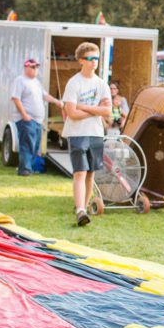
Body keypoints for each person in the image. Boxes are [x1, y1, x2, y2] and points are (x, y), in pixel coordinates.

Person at [60, 42, 112, 226]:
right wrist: (95, 109)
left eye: (96, 58)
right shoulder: (74, 83)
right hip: (78, 134)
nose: (94, 62)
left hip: (95, 133)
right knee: (80, 173)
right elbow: (72, 113)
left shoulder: (101, 84)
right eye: (90, 59)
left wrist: (85, 107)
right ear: (81, 60)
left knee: (90, 173)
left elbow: (108, 111)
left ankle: (84, 204)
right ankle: (80, 210)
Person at [10, 57, 46, 176]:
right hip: (26, 119)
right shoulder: (20, 80)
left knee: (35, 145)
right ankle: (24, 170)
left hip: (37, 120)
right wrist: (24, 114)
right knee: (27, 144)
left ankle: (29, 167)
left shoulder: (36, 82)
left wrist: (57, 101)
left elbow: (45, 96)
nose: (36, 69)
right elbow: (16, 98)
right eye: (33, 67)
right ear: (26, 67)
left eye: (37, 67)